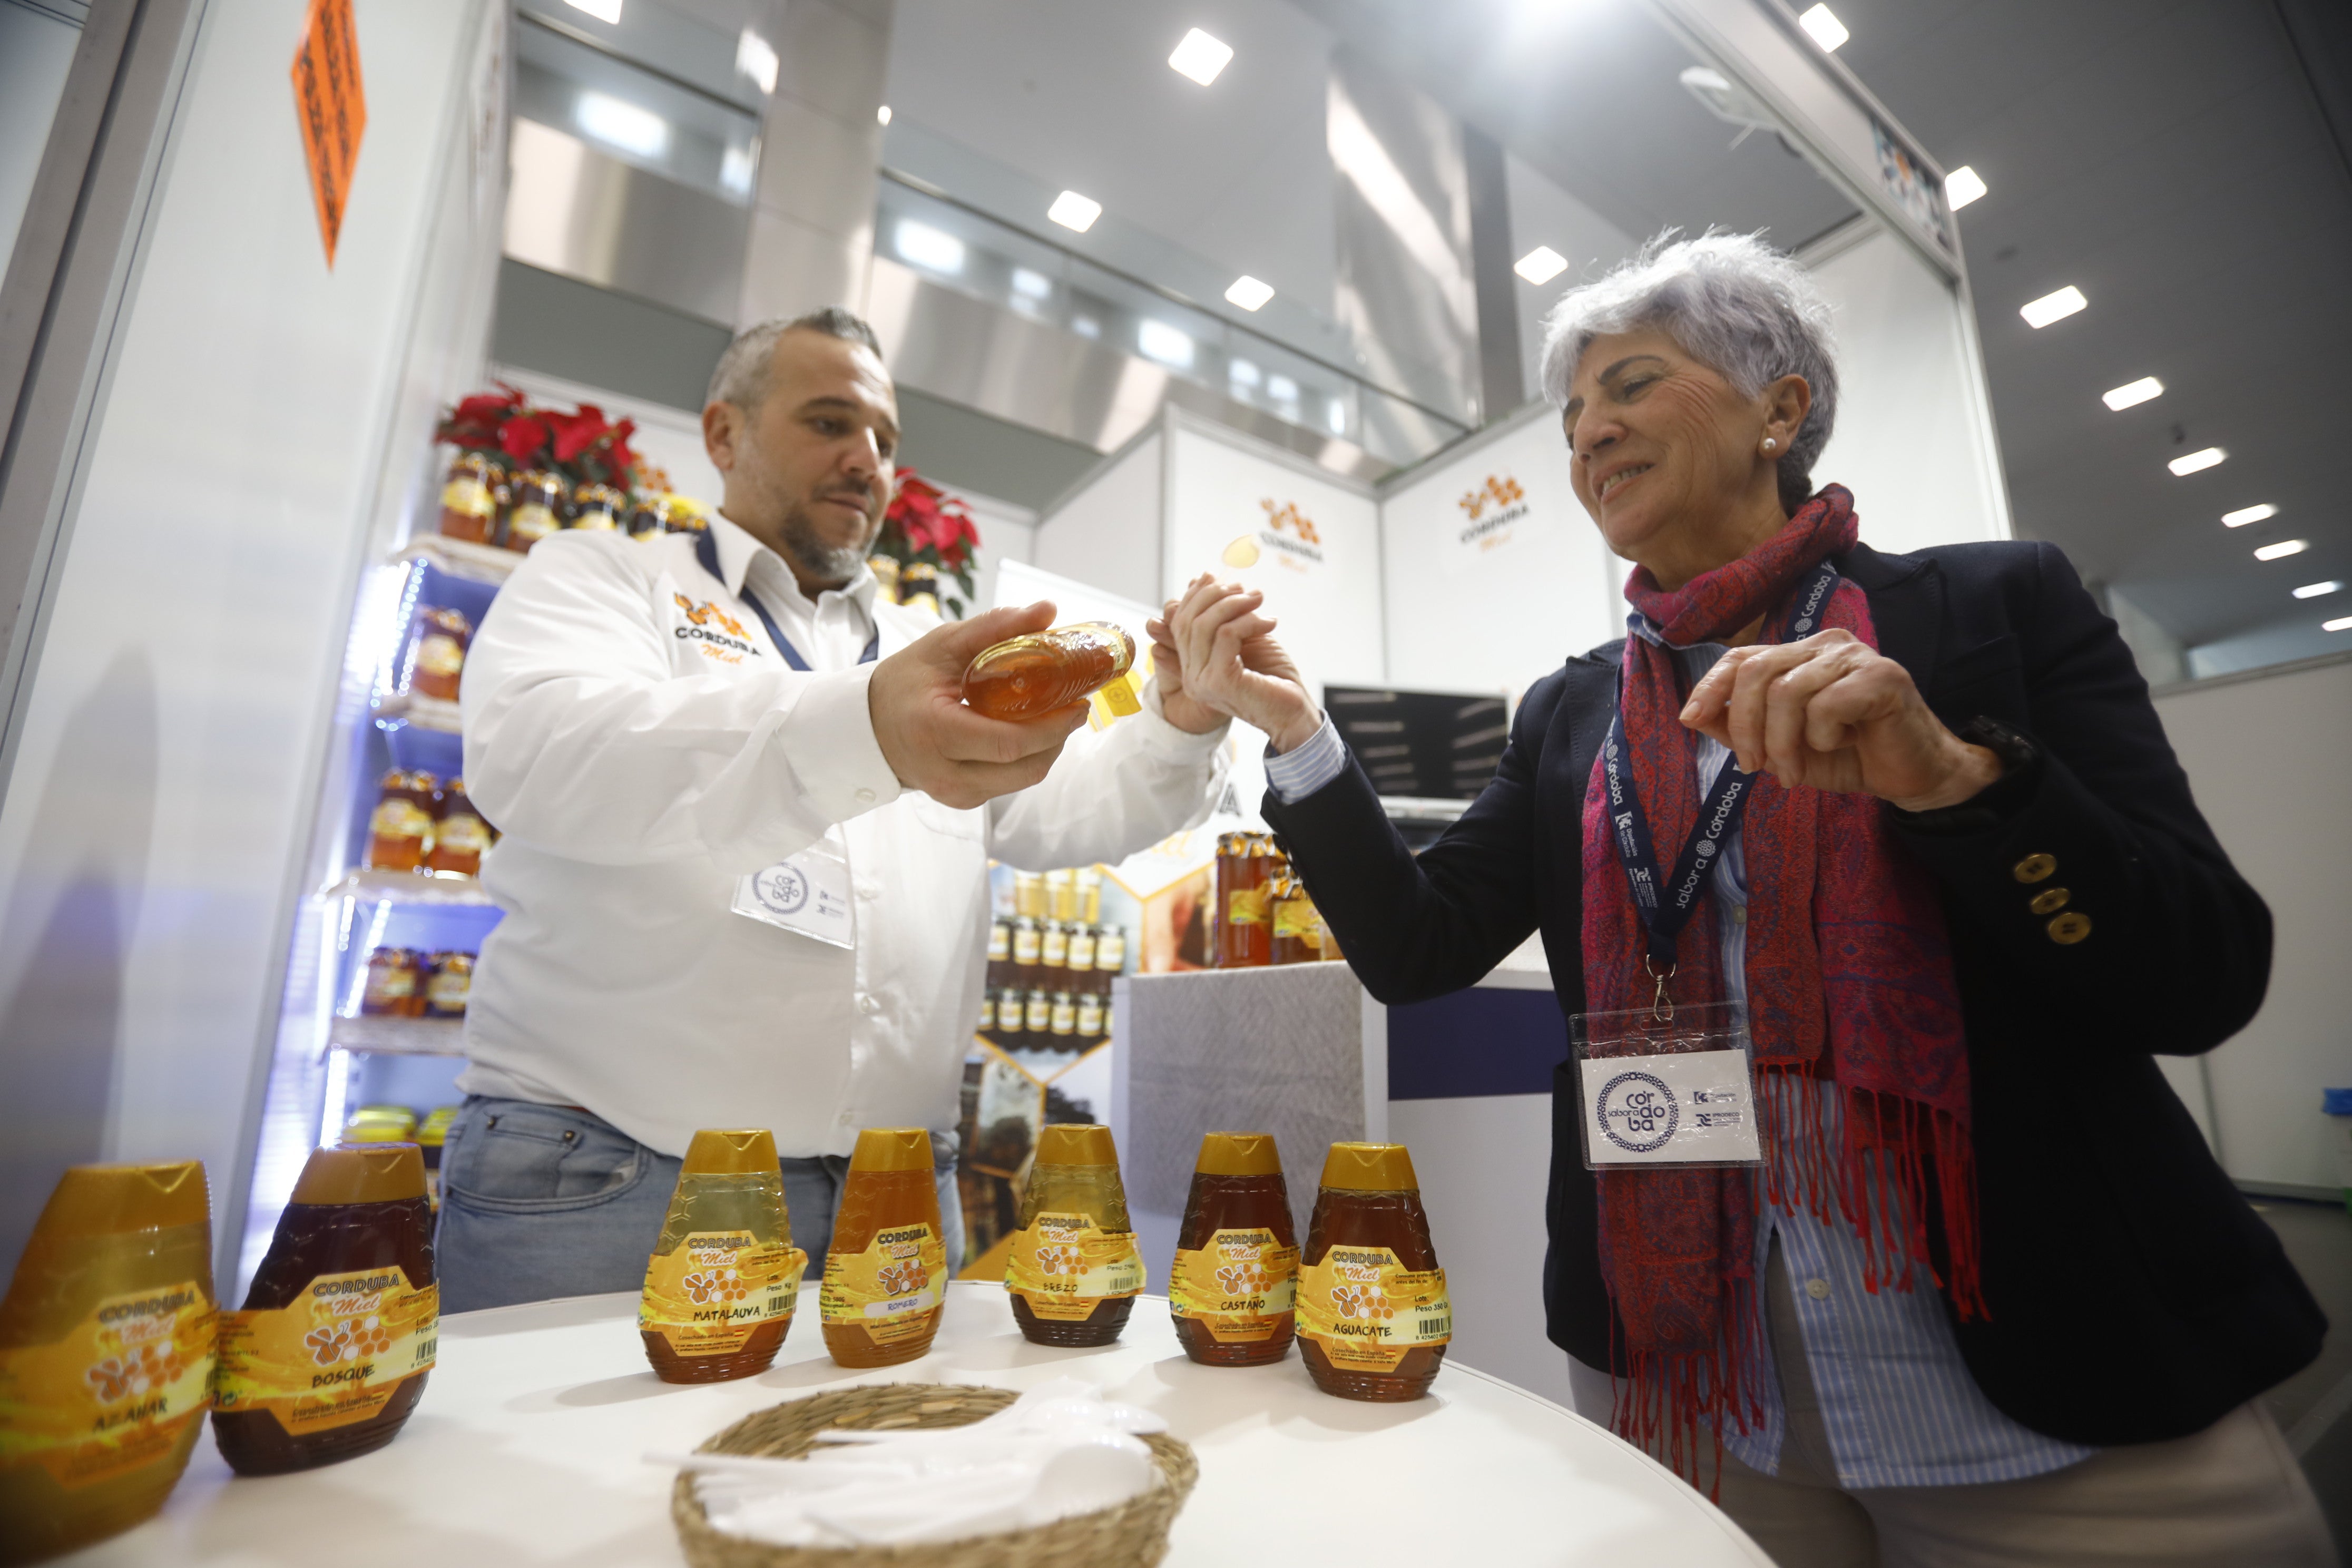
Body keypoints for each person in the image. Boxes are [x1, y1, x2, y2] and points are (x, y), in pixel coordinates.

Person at [1152, 234, 2333, 1566]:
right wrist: (1299, 738)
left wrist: (1954, 780)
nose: (1591, 430)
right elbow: (1419, 948)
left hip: (2058, 1385)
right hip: (1695, 1392)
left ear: (1783, 407)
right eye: (1573, 415)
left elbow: (2200, 972)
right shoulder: (1575, 708)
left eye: (1635, 385)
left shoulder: (1992, 610)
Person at [438, 308, 1232, 1310]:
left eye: (887, 442)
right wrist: (861, 727)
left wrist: (1181, 725)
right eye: (829, 423)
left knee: (874, 1462)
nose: (867, 461)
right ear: (724, 434)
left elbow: (1059, 808)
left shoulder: (923, 641)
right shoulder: (607, 578)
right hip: (612, 1180)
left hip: (894, 1195)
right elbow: (537, 754)